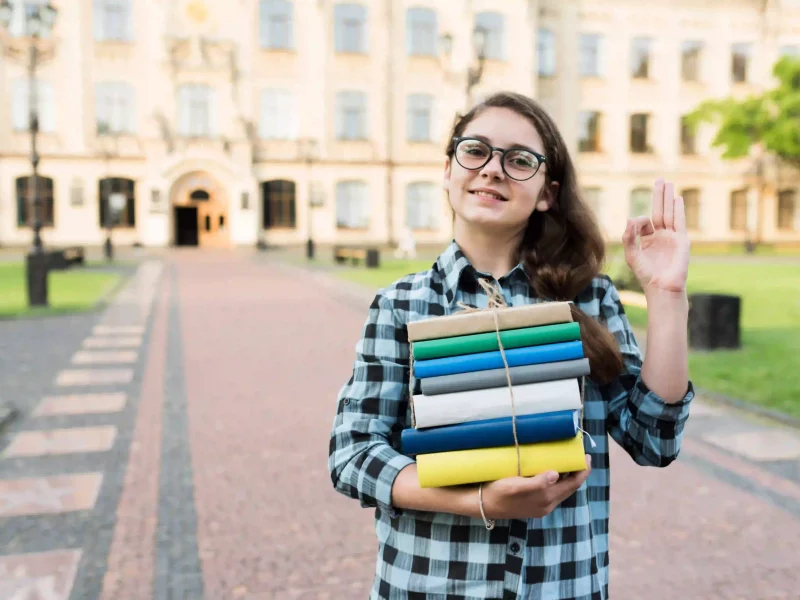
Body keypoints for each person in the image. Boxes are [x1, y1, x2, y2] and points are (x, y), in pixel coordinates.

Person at [328, 91, 693, 600]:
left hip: (562, 587)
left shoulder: (590, 299)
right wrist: (480, 500)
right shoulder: (400, 304)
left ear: (547, 192)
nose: (493, 169)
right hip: (426, 586)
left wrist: (667, 295)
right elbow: (353, 454)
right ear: (449, 170)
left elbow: (655, 440)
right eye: (475, 150)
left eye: (519, 160)